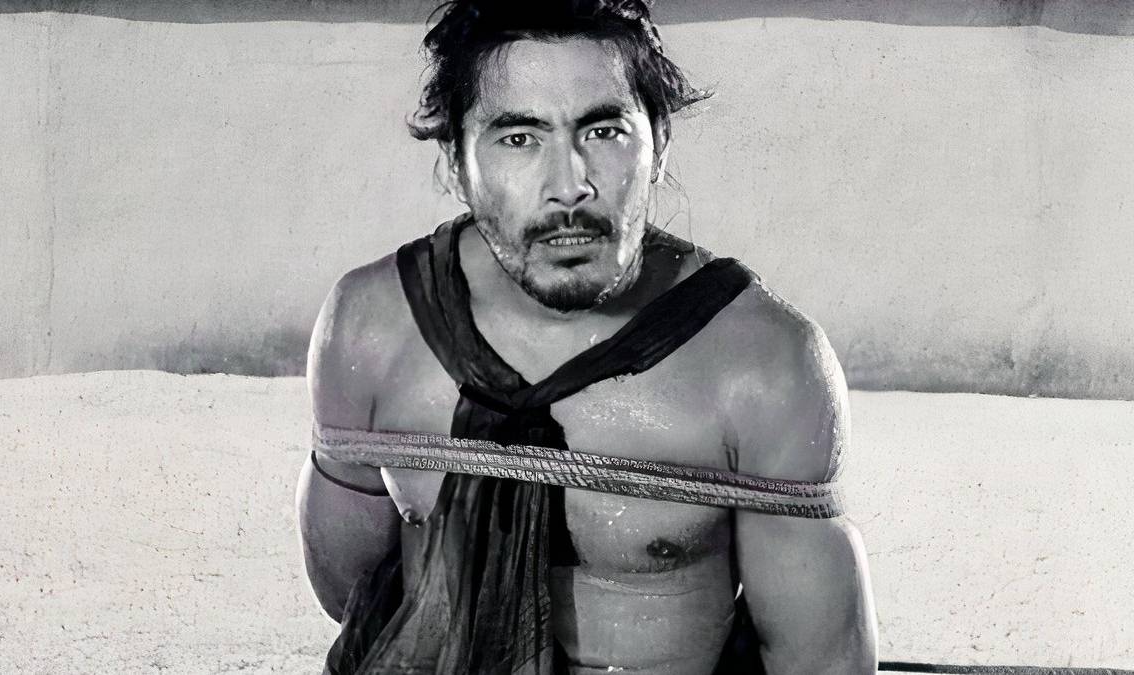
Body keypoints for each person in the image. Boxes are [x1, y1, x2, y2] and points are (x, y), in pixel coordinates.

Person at [296, 2, 877, 673]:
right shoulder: (371, 327)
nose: (569, 186)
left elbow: (821, 661)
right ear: (454, 162)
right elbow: (348, 596)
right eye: (520, 139)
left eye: (603, 131)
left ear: (659, 142)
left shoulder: (764, 363)